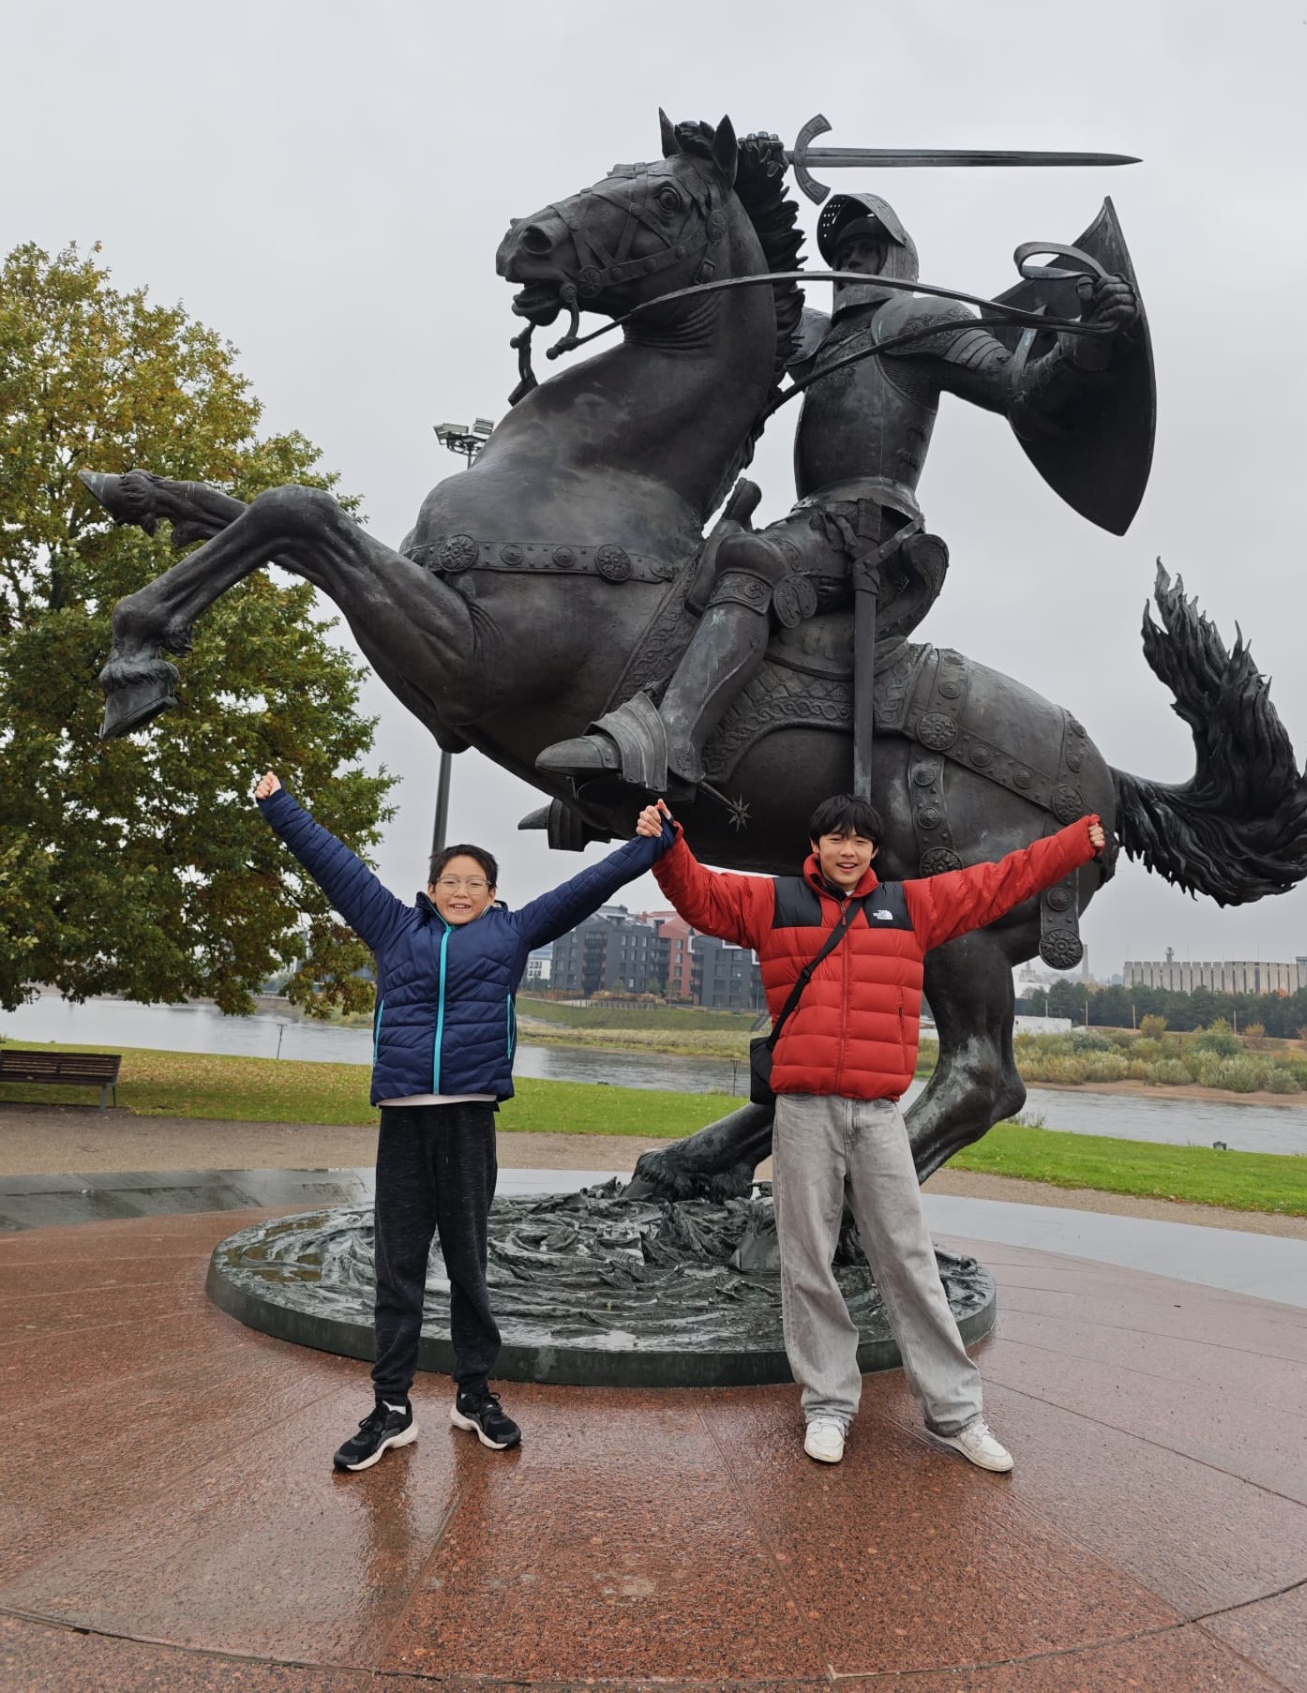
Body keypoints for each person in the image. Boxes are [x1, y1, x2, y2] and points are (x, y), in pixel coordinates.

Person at [541, 190, 1138, 791]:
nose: (852, 259)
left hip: (871, 530)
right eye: (845, 249)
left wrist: (1086, 343)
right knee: (683, 575)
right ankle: (608, 744)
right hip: (810, 521)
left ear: (895, 257)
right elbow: (729, 326)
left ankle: (669, 749)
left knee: (752, 567)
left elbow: (1021, 388)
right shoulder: (817, 336)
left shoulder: (918, 321)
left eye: (866, 248)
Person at [636, 791, 1105, 1470]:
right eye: (836, 838)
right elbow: (702, 898)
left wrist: (1072, 845)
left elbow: (999, 881)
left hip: (879, 1113)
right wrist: (669, 845)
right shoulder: (777, 904)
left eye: (860, 840)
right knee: (808, 1261)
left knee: (909, 1259)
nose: (848, 850)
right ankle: (828, 1405)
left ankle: (958, 1414)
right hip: (802, 1112)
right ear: (817, 845)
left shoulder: (911, 908)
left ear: (873, 850)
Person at [253, 772, 675, 1471]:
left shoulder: (511, 935)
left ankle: (474, 1393)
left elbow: (584, 890)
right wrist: (279, 803)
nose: (460, 890)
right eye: (449, 879)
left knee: (471, 1265)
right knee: (398, 1267)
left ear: (492, 893)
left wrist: (646, 847)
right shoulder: (392, 927)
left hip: (471, 1123)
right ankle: (391, 1405)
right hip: (406, 1125)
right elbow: (334, 863)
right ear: (431, 890)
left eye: (473, 881)